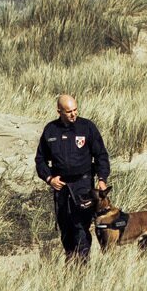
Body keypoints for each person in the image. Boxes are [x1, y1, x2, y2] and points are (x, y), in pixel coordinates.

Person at [34, 93, 111, 261]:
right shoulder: (51, 130)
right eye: (68, 111)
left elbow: (101, 156)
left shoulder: (87, 127)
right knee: (66, 227)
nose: (73, 114)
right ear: (59, 111)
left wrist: (102, 179)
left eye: (75, 110)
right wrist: (49, 179)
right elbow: (40, 160)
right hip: (61, 187)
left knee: (81, 227)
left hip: (83, 184)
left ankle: (82, 265)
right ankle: (70, 260)